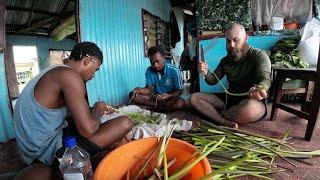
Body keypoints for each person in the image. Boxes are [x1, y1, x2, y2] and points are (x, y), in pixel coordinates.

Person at [13, 42, 133, 178]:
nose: (94, 75)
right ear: (87, 61)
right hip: (43, 150)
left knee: (110, 133)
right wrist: (98, 108)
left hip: (30, 147)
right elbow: (87, 130)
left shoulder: (56, 70)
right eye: (96, 69)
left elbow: (68, 112)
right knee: (125, 123)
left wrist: (92, 110)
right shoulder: (70, 76)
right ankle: (58, 167)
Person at [190, 23, 271, 128]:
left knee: (250, 109)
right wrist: (205, 71)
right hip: (229, 101)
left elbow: (264, 78)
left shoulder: (259, 56)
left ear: (246, 38)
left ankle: (217, 115)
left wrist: (261, 88)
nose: (231, 45)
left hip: (250, 101)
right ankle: (223, 121)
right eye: (228, 41)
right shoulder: (225, 61)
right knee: (194, 98)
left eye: (236, 40)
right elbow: (212, 80)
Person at [130, 46, 184, 112]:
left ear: (164, 58)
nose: (155, 65)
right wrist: (139, 89)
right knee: (133, 95)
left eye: (157, 61)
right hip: (155, 98)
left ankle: (152, 108)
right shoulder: (149, 70)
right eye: (152, 62)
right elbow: (149, 89)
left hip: (169, 98)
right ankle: (158, 107)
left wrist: (168, 95)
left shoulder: (174, 70)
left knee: (180, 103)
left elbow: (179, 91)